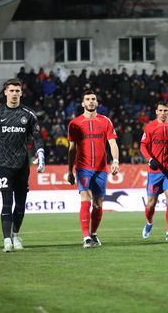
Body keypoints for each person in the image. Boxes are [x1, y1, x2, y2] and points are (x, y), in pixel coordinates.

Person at [0, 78, 45, 252]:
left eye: (17, 91)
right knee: (6, 202)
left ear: (21, 93)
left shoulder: (28, 114)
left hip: (22, 166)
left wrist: (40, 153)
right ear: (5, 92)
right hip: (4, 164)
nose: (14, 94)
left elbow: (37, 137)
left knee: (20, 204)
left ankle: (15, 234)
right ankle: (6, 241)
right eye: (11, 90)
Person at [67, 90, 120, 248]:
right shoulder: (75, 124)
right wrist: (70, 171)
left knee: (98, 203)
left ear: (97, 103)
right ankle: (86, 238)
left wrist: (115, 161)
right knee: (86, 197)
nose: (90, 101)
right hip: (83, 168)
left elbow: (112, 143)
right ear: (83, 103)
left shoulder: (106, 122)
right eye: (87, 99)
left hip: (101, 169)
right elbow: (71, 149)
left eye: (93, 99)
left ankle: (94, 234)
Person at [140, 101, 168, 242]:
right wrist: (149, 159)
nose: (163, 113)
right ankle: (149, 222)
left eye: (165, 110)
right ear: (156, 111)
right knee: (151, 203)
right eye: (160, 110)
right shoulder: (150, 127)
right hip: (154, 171)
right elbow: (142, 146)